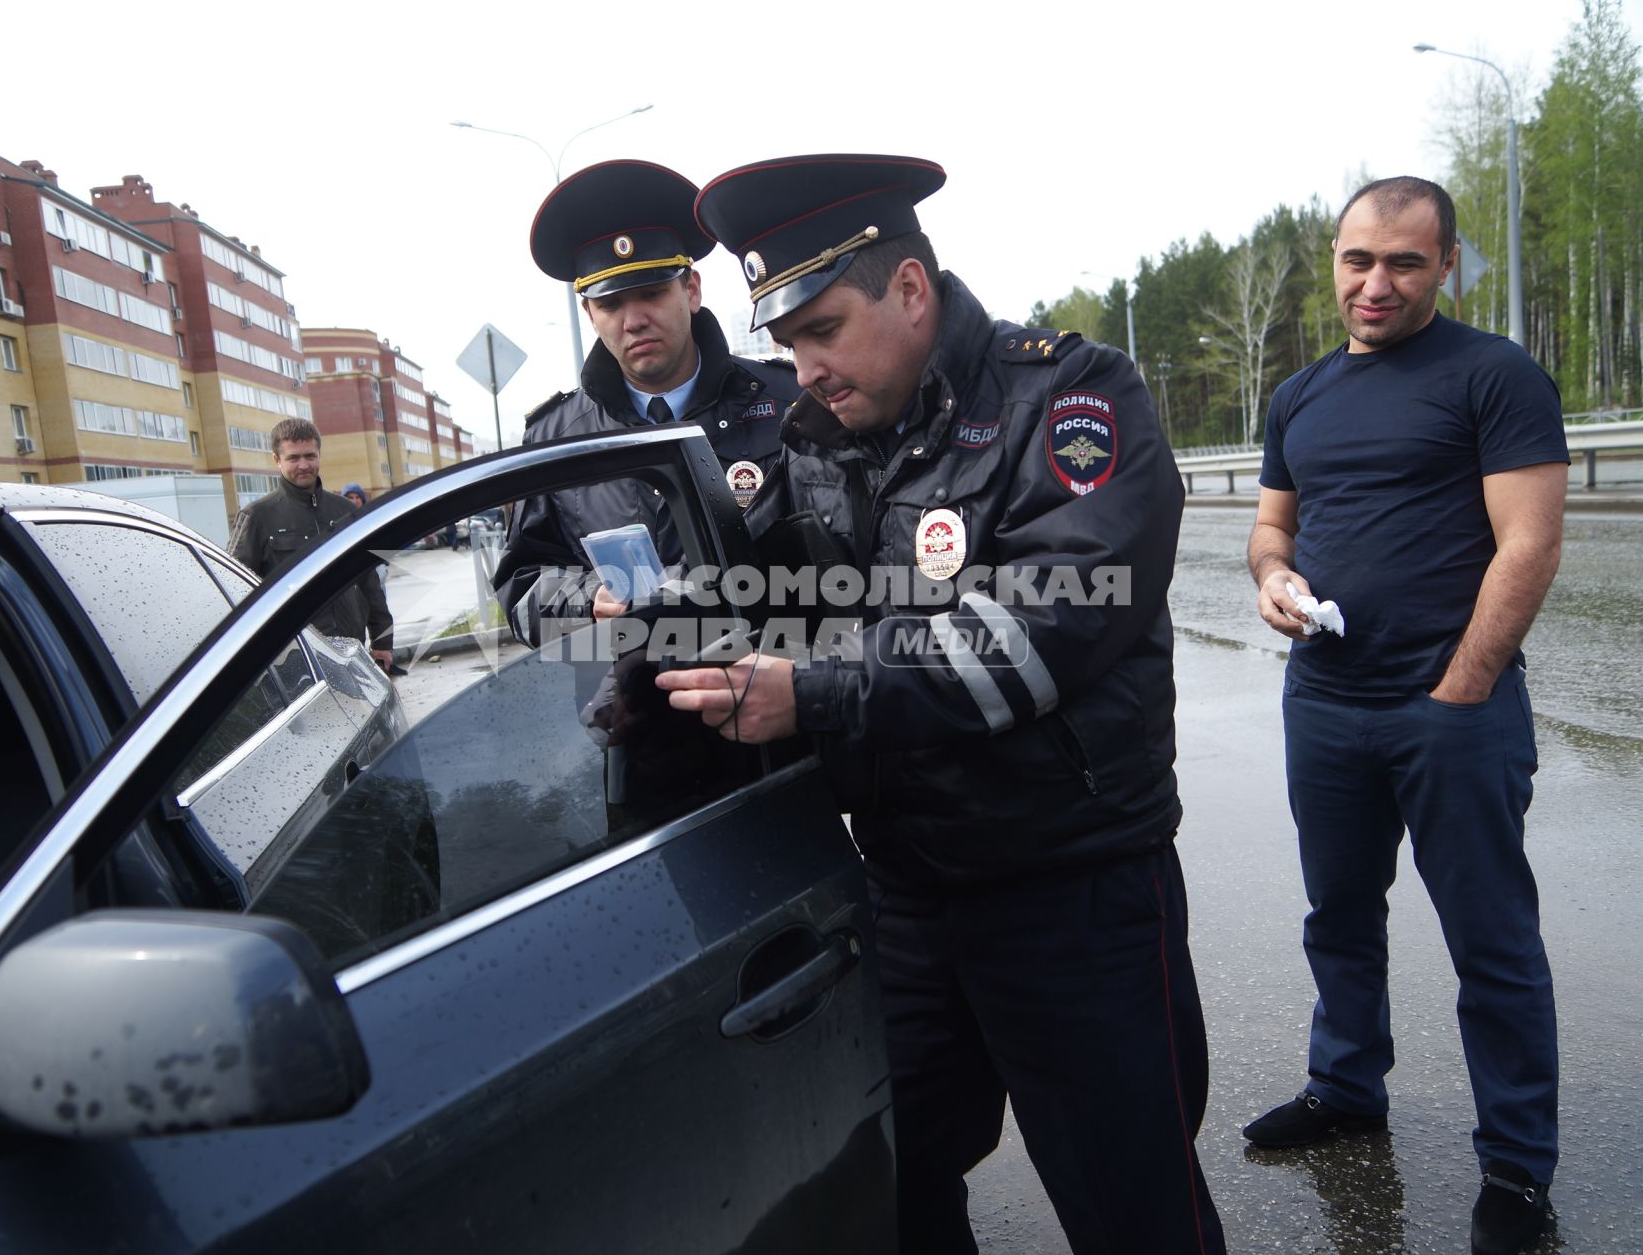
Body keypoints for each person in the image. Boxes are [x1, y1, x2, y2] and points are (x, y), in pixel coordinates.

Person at [667, 153, 1224, 1254]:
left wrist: (814, 691)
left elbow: (1035, 634)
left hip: (1071, 892)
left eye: (822, 327)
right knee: (888, 1178)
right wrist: (661, 633)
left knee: (1131, 1206)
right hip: (908, 893)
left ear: (910, 290)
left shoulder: (1067, 399)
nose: (804, 365)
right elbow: (771, 592)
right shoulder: (818, 442)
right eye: (785, 342)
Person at [1242, 176, 1567, 1255]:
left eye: (1403, 262)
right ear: (1332, 260)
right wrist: (1271, 581)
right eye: (1355, 260)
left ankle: (1515, 1164)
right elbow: (1269, 531)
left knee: (1491, 941)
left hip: (1451, 710)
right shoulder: (1296, 396)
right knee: (1336, 917)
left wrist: (1459, 689)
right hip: (1324, 702)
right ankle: (1344, 1089)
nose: (1374, 284)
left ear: (1445, 266)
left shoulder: (1492, 375)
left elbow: (1526, 543)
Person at [492, 159, 796, 646]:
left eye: (651, 293)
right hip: (624, 705)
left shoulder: (787, 401)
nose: (633, 321)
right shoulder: (554, 436)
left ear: (691, 290)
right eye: (611, 304)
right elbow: (521, 586)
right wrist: (588, 602)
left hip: (770, 688)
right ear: (589, 312)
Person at [230, 417, 394, 673]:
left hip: (352, 653)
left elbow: (369, 582)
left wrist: (383, 640)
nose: (304, 465)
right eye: (293, 458)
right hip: (293, 660)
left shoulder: (347, 511)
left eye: (310, 456)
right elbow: (233, 592)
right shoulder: (257, 517)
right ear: (277, 460)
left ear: (319, 455)